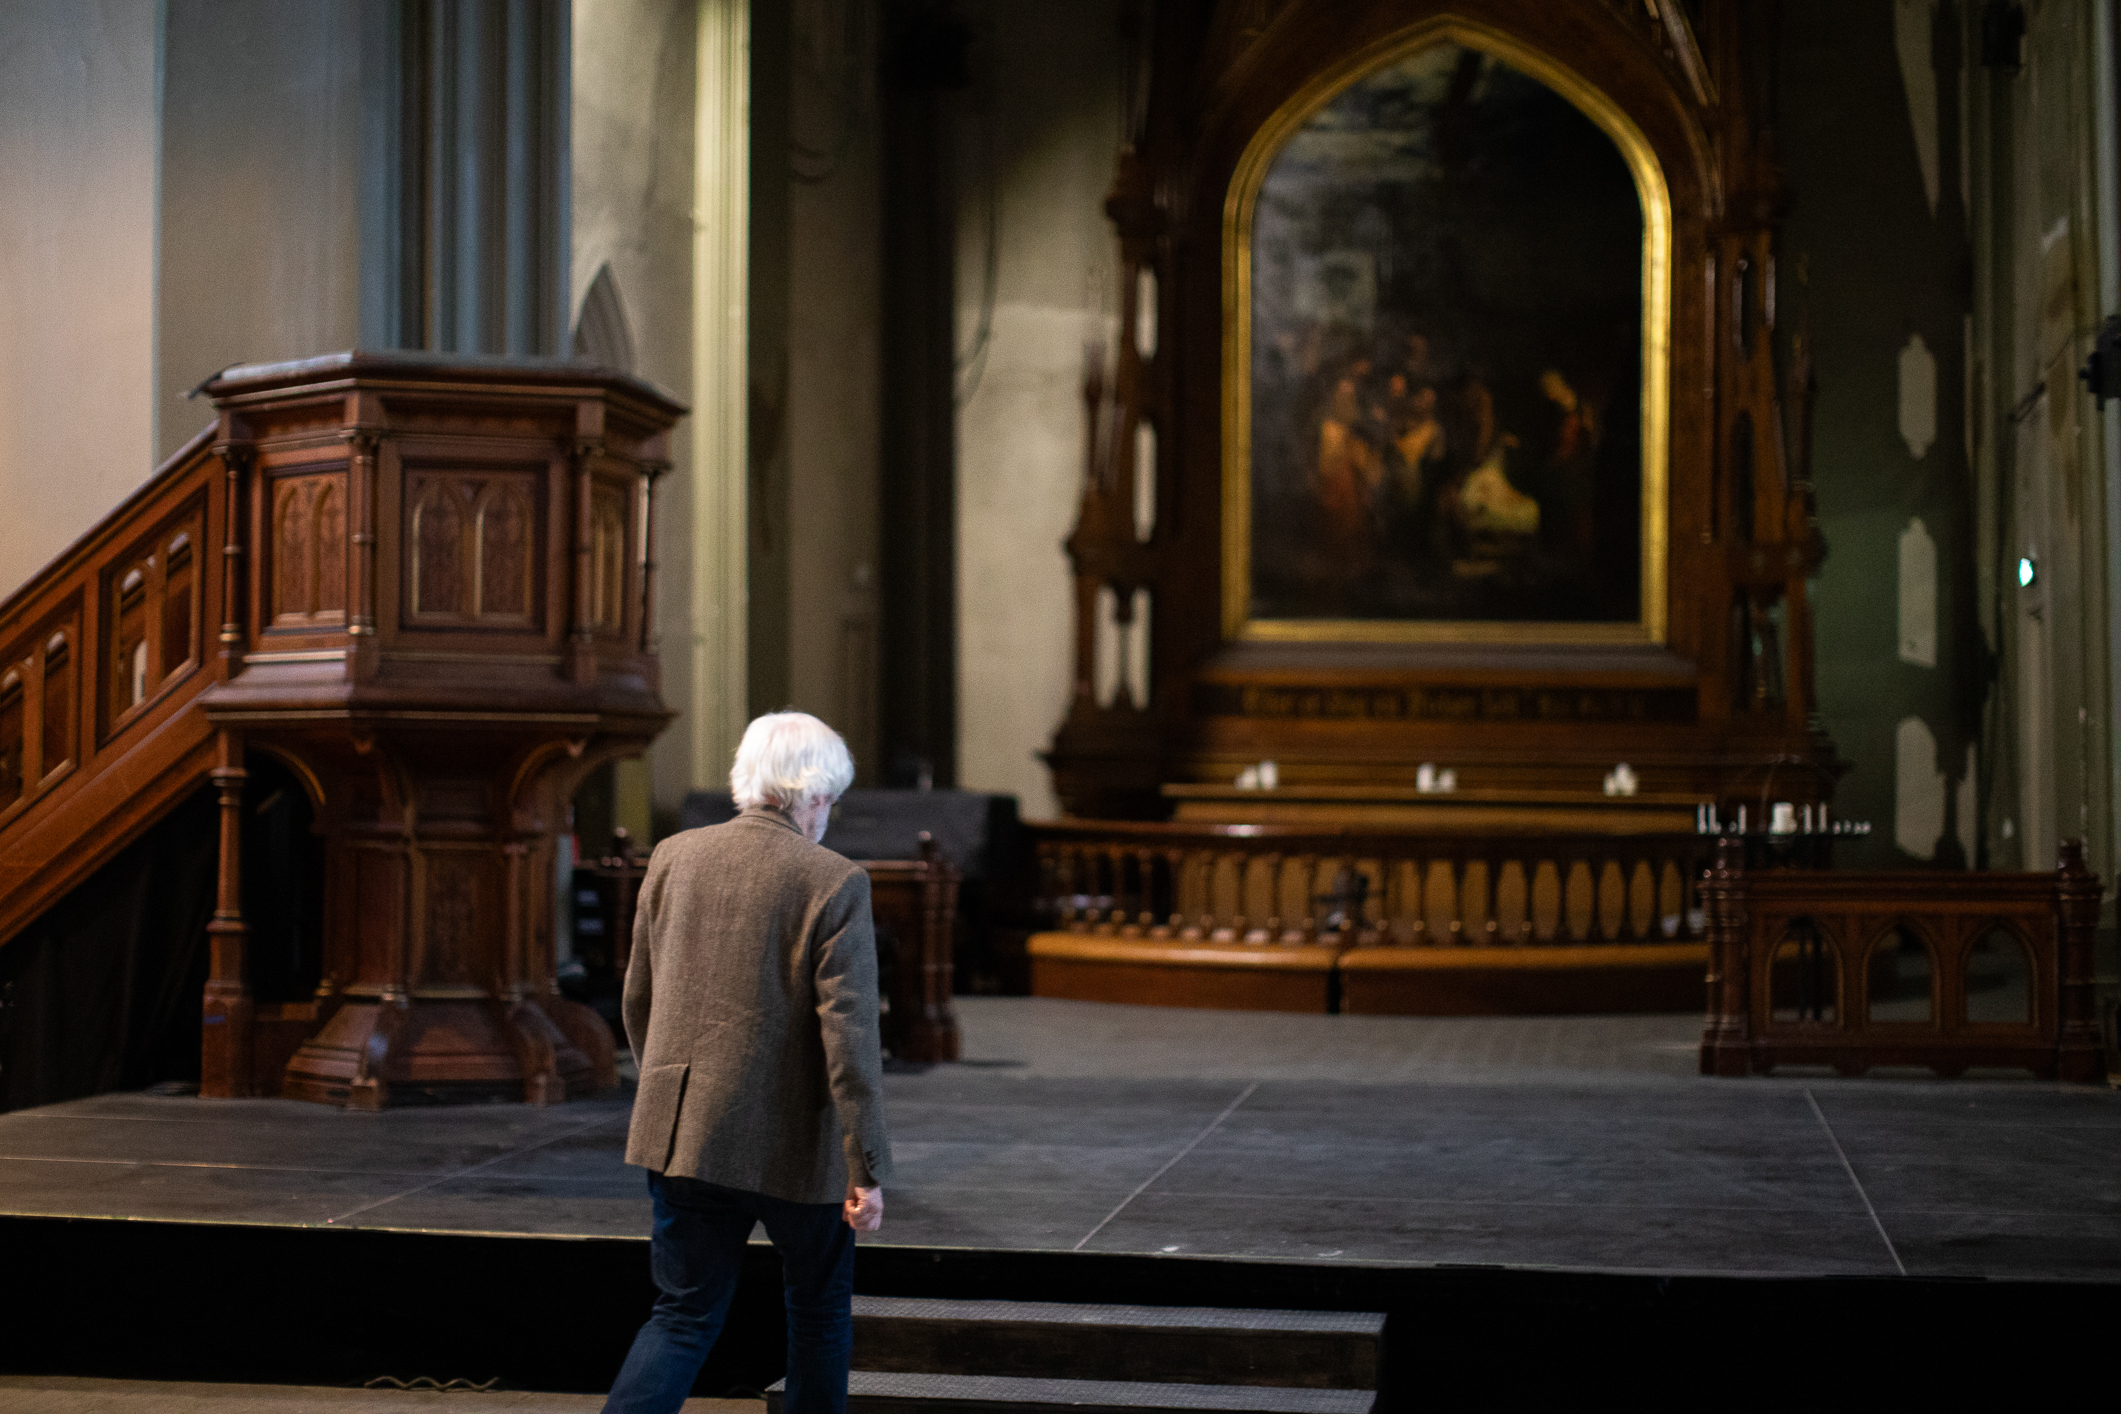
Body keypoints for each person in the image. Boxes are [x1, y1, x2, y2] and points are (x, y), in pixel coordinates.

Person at [602, 711, 892, 1414]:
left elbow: (638, 997)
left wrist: (667, 1094)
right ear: (812, 794)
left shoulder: (672, 855)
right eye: (832, 798)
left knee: (680, 1316)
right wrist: (867, 1169)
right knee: (818, 1315)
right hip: (797, 1150)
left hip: (685, 1136)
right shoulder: (834, 880)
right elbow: (849, 1041)